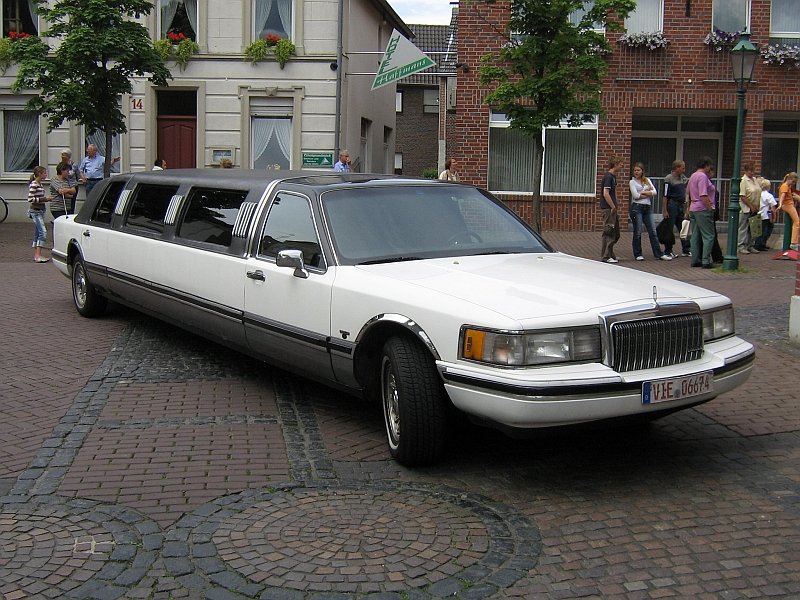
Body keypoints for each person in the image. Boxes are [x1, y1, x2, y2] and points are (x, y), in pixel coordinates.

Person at [629, 162, 671, 261]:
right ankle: (638, 253)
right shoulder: (632, 182)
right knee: (638, 232)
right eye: (635, 170)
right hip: (637, 208)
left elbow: (654, 192)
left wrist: (643, 192)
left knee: (653, 231)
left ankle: (658, 253)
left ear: (642, 171)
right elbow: (636, 196)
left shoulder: (647, 180)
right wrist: (648, 194)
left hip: (647, 208)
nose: (636, 172)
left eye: (638, 170)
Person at [688, 157, 716, 269]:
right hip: (702, 208)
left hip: (693, 207)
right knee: (708, 235)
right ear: (707, 165)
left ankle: (695, 259)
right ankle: (706, 260)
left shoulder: (693, 176)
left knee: (695, 235)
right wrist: (710, 207)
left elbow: (688, 192)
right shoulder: (702, 176)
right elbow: (703, 194)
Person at [662, 159, 689, 257]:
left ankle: (686, 249)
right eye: (683, 168)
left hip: (680, 205)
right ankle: (668, 250)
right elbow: (665, 195)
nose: (684, 170)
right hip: (672, 205)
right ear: (677, 168)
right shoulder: (668, 179)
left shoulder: (682, 178)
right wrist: (665, 210)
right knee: (669, 228)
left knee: (683, 227)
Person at [600, 156, 623, 263]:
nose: (622, 166)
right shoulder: (608, 177)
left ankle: (611, 254)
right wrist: (612, 206)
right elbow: (606, 193)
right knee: (608, 231)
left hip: (612, 208)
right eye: (620, 164)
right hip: (608, 208)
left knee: (616, 233)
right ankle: (605, 256)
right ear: (615, 164)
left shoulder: (613, 177)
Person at [28, 166, 52, 263]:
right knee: (43, 232)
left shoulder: (39, 184)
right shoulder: (34, 184)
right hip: (36, 211)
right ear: (39, 174)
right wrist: (45, 199)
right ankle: (38, 256)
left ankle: (37, 255)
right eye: (44, 173)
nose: (46, 175)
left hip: (40, 210)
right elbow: (30, 199)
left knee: (38, 233)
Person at [737, 161, 761, 254]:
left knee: (753, 227)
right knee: (744, 227)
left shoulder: (755, 180)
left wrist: (756, 206)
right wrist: (751, 206)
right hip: (746, 208)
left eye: (753, 170)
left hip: (755, 207)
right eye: (750, 171)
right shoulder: (743, 181)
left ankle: (750, 245)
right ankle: (741, 246)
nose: (752, 173)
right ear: (746, 171)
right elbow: (742, 196)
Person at [49, 162, 77, 238]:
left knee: (66, 225)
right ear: (62, 171)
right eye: (67, 171)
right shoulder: (54, 180)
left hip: (67, 207)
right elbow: (61, 192)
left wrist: (67, 190)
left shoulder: (69, 180)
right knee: (62, 224)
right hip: (57, 207)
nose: (68, 173)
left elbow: (74, 191)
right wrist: (69, 193)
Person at [778, 171, 800, 251]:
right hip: (788, 205)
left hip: (788, 205)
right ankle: (794, 243)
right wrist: (780, 204)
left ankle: (793, 242)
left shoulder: (787, 186)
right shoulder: (785, 186)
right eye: (793, 182)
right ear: (789, 179)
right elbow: (782, 196)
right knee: (797, 222)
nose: (793, 184)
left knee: (796, 222)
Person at [753, 178, 777, 251]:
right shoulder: (769, 195)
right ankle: (761, 244)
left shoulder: (758, 194)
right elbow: (773, 207)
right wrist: (774, 217)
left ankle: (757, 244)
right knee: (765, 231)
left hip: (757, 214)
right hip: (765, 216)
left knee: (758, 231)